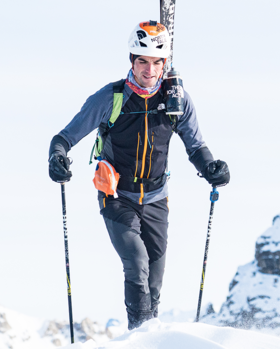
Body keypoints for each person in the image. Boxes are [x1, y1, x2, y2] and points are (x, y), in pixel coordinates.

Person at [48, 20, 230, 330]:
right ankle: (140, 338)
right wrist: (57, 157)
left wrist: (211, 167)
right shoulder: (111, 98)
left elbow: (196, 145)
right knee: (136, 263)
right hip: (117, 196)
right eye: (142, 61)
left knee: (155, 281)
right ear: (132, 61)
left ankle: (150, 334)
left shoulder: (176, 100)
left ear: (165, 63)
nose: (149, 69)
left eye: (156, 62)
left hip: (157, 198)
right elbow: (64, 137)